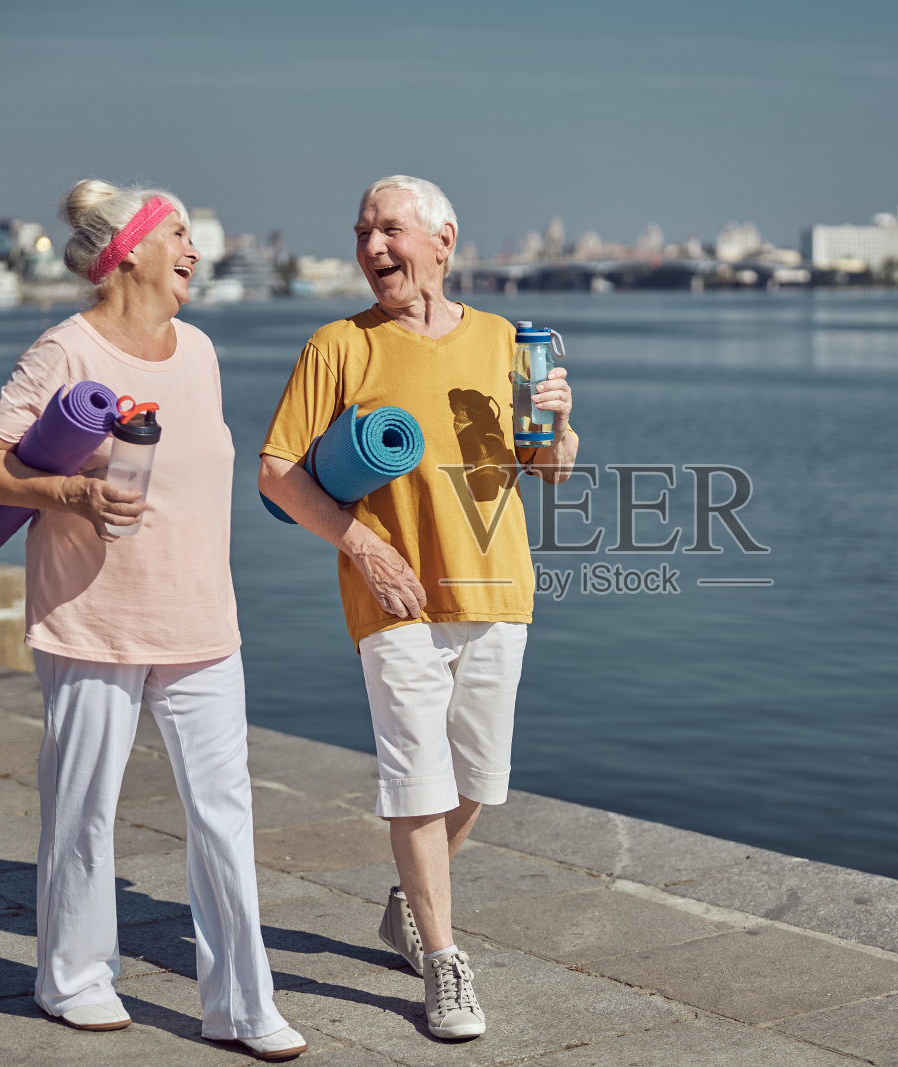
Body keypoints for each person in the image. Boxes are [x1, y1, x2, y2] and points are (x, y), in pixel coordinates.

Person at [0, 179, 306, 1062]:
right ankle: (73, 979)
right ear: (131, 249)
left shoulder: (201, 350)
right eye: (178, 234)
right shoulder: (64, 349)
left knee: (224, 813)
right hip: (93, 616)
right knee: (84, 807)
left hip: (202, 616)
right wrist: (68, 491)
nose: (195, 250)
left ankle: (243, 1003)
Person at [258, 175, 576, 1040]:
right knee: (416, 776)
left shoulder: (506, 341)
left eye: (389, 229)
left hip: (499, 588)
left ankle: (407, 903)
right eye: (363, 232)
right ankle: (443, 959)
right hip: (392, 596)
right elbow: (277, 472)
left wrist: (558, 425)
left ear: (443, 240)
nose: (372, 247)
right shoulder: (339, 345)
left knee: (478, 781)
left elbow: (547, 470)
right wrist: (362, 546)